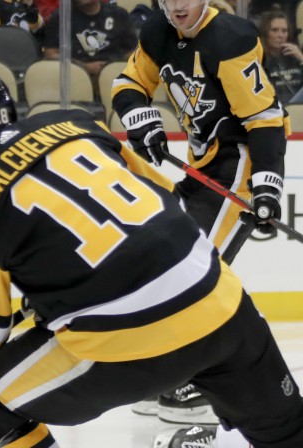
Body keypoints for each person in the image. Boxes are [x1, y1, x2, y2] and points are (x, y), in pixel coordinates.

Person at [0, 70, 303, 448]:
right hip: (222, 304)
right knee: (287, 433)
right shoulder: (74, 123)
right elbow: (163, 198)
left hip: (129, 345)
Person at [111, 0, 288, 433]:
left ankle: (192, 380)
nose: (177, 4)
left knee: (198, 273)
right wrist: (142, 119)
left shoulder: (231, 39)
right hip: (203, 165)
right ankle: (170, 372)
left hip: (239, 169)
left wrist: (267, 182)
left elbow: (264, 118)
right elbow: (127, 82)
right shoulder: (157, 32)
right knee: (164, 262)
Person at [42, 0, 137, 99]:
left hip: (114, 79)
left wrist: (111, 68)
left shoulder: (118, 15)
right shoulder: (61, 17)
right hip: (74, 78)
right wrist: (83, 66)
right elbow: (50, 53)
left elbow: (132, 51)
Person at [259, 8, 303, 105]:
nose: (280, 35)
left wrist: (301, 58)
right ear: (265, 33)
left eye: (284, 31)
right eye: (274, 30)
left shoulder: (294, 56)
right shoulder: (260, 59)